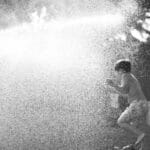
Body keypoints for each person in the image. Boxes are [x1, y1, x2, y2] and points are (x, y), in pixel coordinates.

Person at [106, 59, 148, 145]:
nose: (116, 74)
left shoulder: (125, 76)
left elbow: (123, 90)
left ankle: (140, 135)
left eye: (116, 72)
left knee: (121, 121)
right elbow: (125, 94)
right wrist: (113, 89)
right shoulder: (131, 77)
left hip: (137, 105)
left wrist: (113, 84)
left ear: (121, 70)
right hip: (143, 104)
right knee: (135, 126)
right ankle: (141, 142)